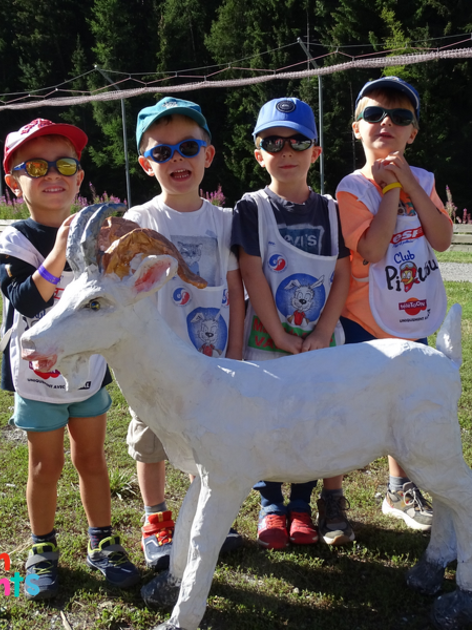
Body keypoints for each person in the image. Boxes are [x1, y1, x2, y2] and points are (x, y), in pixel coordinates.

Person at [0, 119, 139, 599]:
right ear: (14, 182)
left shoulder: (98, 238)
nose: (53, 174)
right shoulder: (11, 244)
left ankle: (103, 541)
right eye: (36, 166)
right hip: (35, 379)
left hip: (89, 375)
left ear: (79, 177)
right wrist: (58, 252)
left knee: (92, 460)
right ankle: (43, 548)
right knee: (44, 467)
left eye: (65, 164)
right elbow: (26, 301)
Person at [126, 96, 245, 571]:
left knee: (211, 438)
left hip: (212, 357)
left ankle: (215, 513)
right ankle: (156, 518)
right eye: (162, 152)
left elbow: (236, 289)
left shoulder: (226, 221)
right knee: (151, 439)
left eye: (188, 148)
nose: (177, 160)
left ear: (208, 155)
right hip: (155, 364)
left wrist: (235, 351)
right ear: (145, 163)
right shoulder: (139, 222)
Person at [232, 97, 354, 549]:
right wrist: (279, 332)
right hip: (267, 339)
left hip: (318, 342)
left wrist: (322, 330)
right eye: (273, 141)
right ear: (258, 152)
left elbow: (342, 272)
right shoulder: (251, 208)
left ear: (315, 152)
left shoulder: (331, 210)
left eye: (298, 140)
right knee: (265, 419)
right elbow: (251, 271)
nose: (286, 150)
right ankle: (270, 503)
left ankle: (301, 505)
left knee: (312, 420)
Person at [336, 77, 453, 532]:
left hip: (409, 314)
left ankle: (399, 488)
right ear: (356, 128)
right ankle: (334, 497)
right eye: (374, 114)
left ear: (413, 133)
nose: (386, 122)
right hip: (362, 319)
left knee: (406, 406)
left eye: (400, 117)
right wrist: (388, 190)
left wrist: (409, 186)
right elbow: (372, 249)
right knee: (350, 406)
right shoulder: (352, 187)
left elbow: (442, 239)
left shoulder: (423, 180)